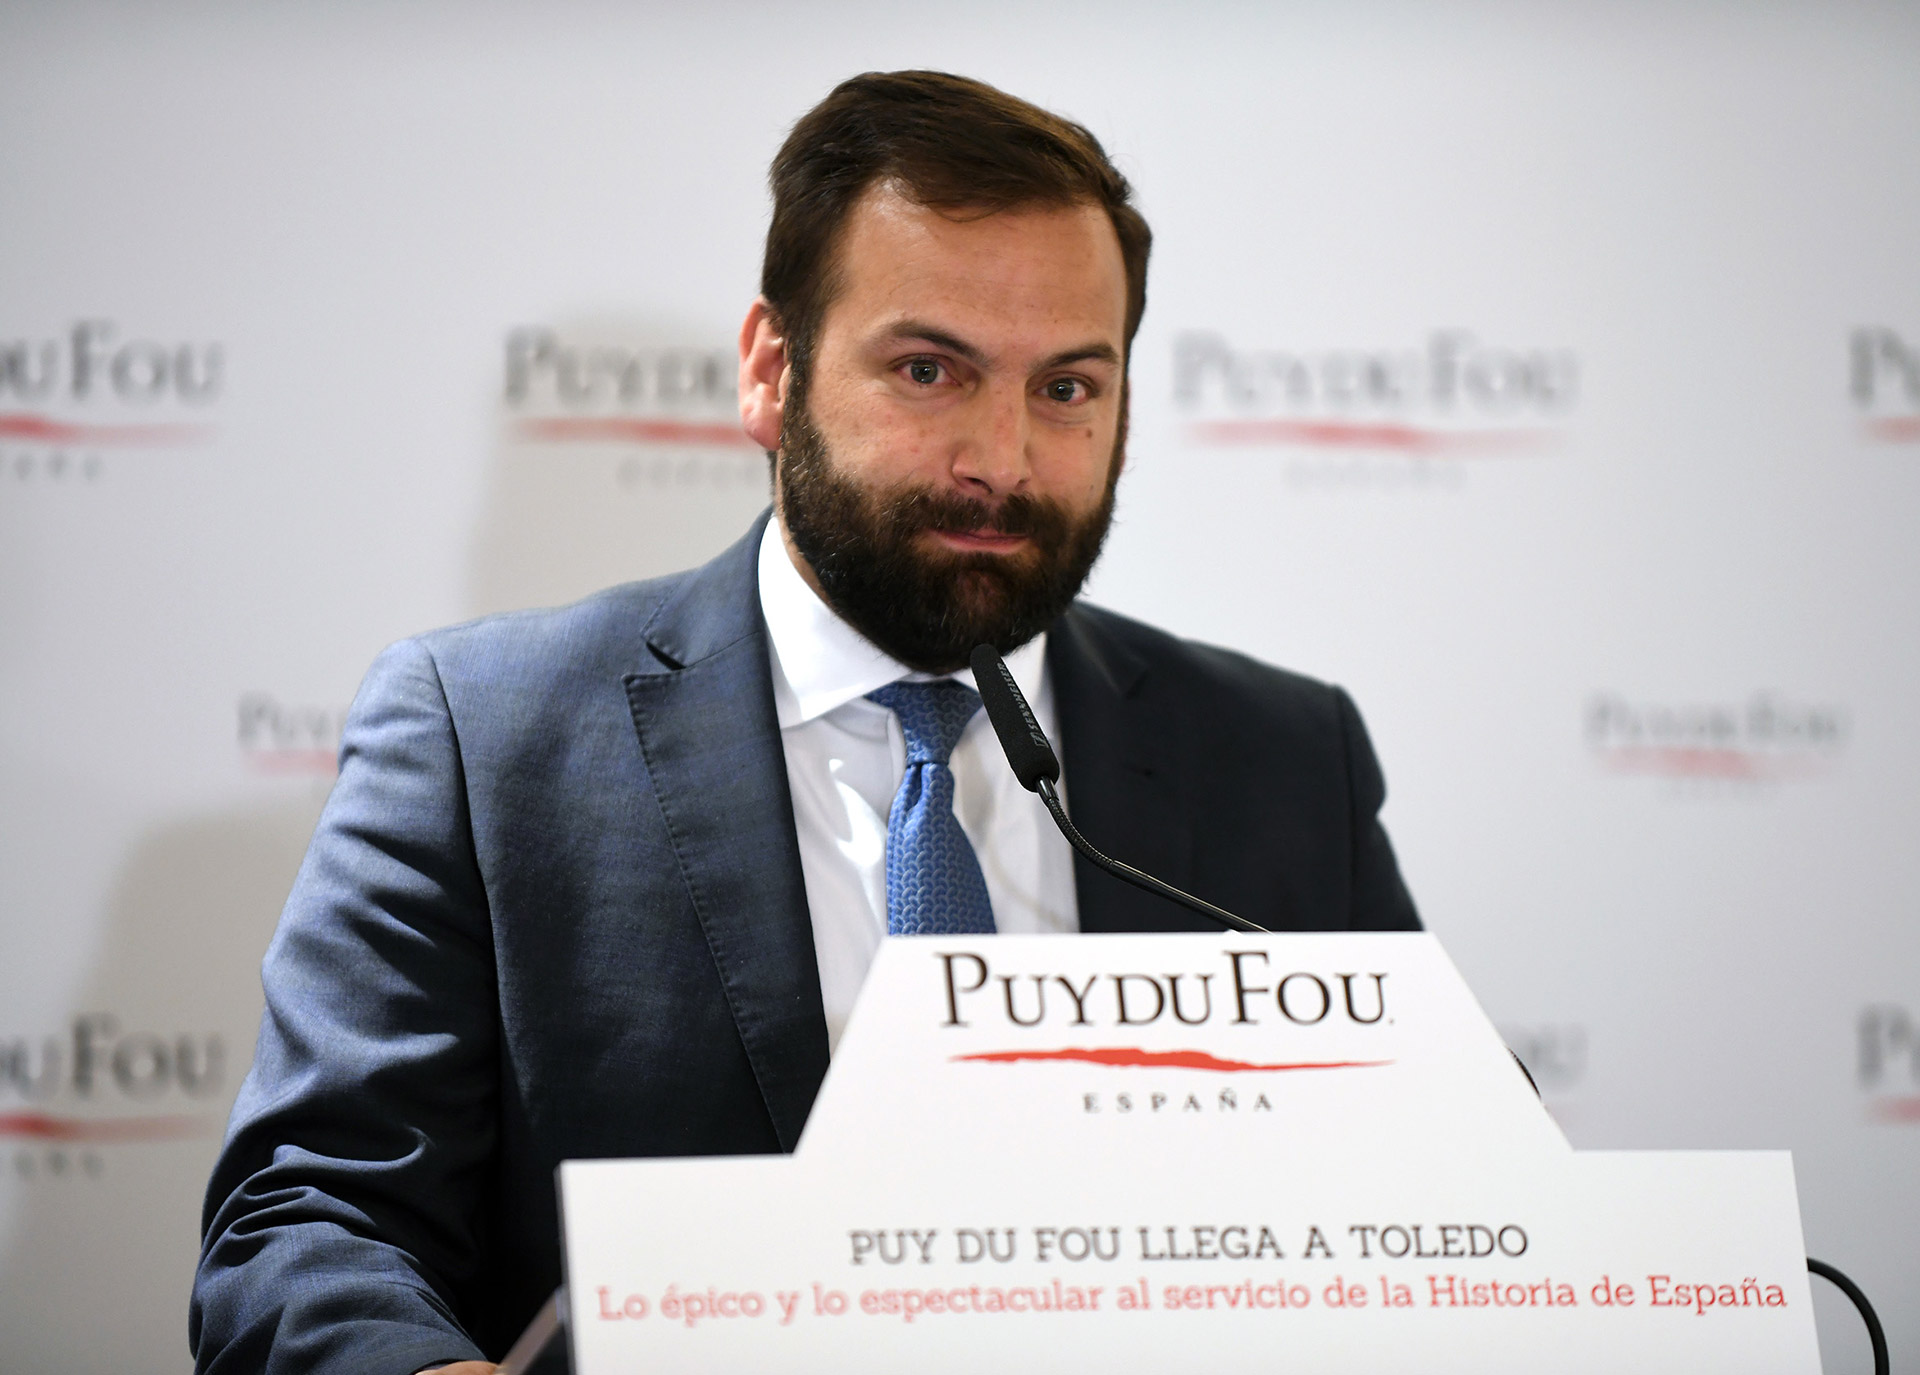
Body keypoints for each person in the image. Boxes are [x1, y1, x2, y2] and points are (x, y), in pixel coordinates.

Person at [190, 70, 1419, 1375]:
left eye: (1067, 389)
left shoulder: (1287, 759)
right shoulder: (482, 742)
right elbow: (306, 1228)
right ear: (773, 372)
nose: (1002, 460)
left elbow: (1442, 1188)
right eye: (929, 370)